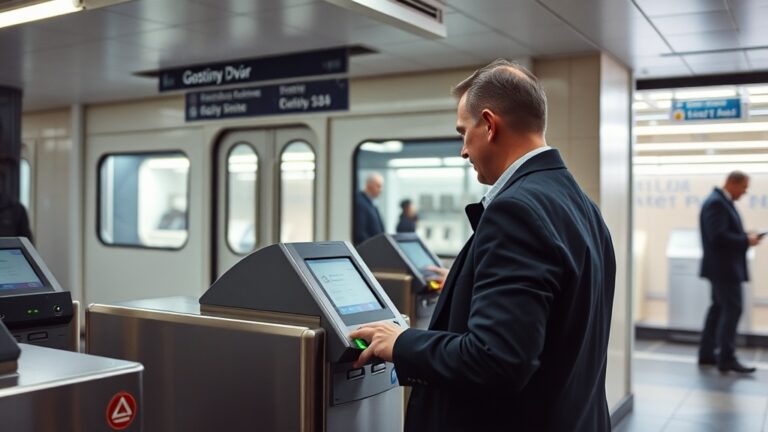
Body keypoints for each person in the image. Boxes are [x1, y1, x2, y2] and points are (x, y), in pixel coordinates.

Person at [350, 59, 616, 432]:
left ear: (489, 125)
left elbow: (497, 359)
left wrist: (401, 342)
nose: (463, 150)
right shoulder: (581, 205)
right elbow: (557, 308)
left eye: (464, 132)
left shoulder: (516, 210)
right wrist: (467, 283)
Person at [698, 171, 758, 373]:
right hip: (724, 269)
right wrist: (745, 240)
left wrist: (743, 236)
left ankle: (707, 354)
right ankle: (726, 358)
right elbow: (717, 236)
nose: (745, 192)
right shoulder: (717, 203)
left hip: (721, 268)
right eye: (744, 187)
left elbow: (722, 232)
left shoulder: (720, 201)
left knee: (718, 309)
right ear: (732, 182)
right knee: (732, 310)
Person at [353, 173, 385, 245]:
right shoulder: (360, 203)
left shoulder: (370, 203)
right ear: (369, 185)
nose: (381, 190)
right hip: (367, 248)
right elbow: (360, 233)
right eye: (378, 186)